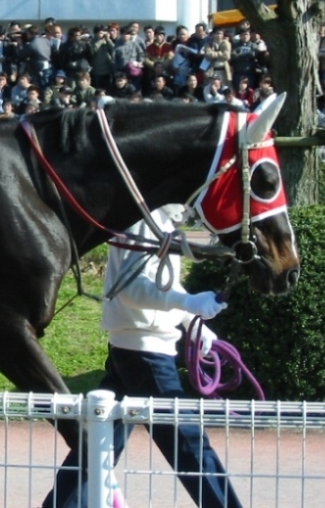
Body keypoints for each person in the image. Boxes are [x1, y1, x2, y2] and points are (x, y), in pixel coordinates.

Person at [49, 206, 242, 508]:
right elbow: (131, 288)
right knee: (190, 446)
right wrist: (189, 302)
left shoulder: (159, 218)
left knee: (100, 445)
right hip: (145, 354)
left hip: (137, 348)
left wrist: (192, 324)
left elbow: (161, 285)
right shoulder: (143, 220)